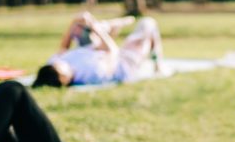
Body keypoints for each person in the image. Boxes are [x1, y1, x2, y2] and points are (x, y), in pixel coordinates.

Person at [33, 12, 164, 87]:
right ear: (64, 78)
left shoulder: (54, 63)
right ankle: (158, 63)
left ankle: (112, 25)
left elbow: (63, 47)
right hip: (124, 62)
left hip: (96, 50)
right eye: (57, 66)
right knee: (148, 24)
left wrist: (74, 22)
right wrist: (96, 28)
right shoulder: (91, 73)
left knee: (80, 26)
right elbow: (112, 51)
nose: (57, 61)